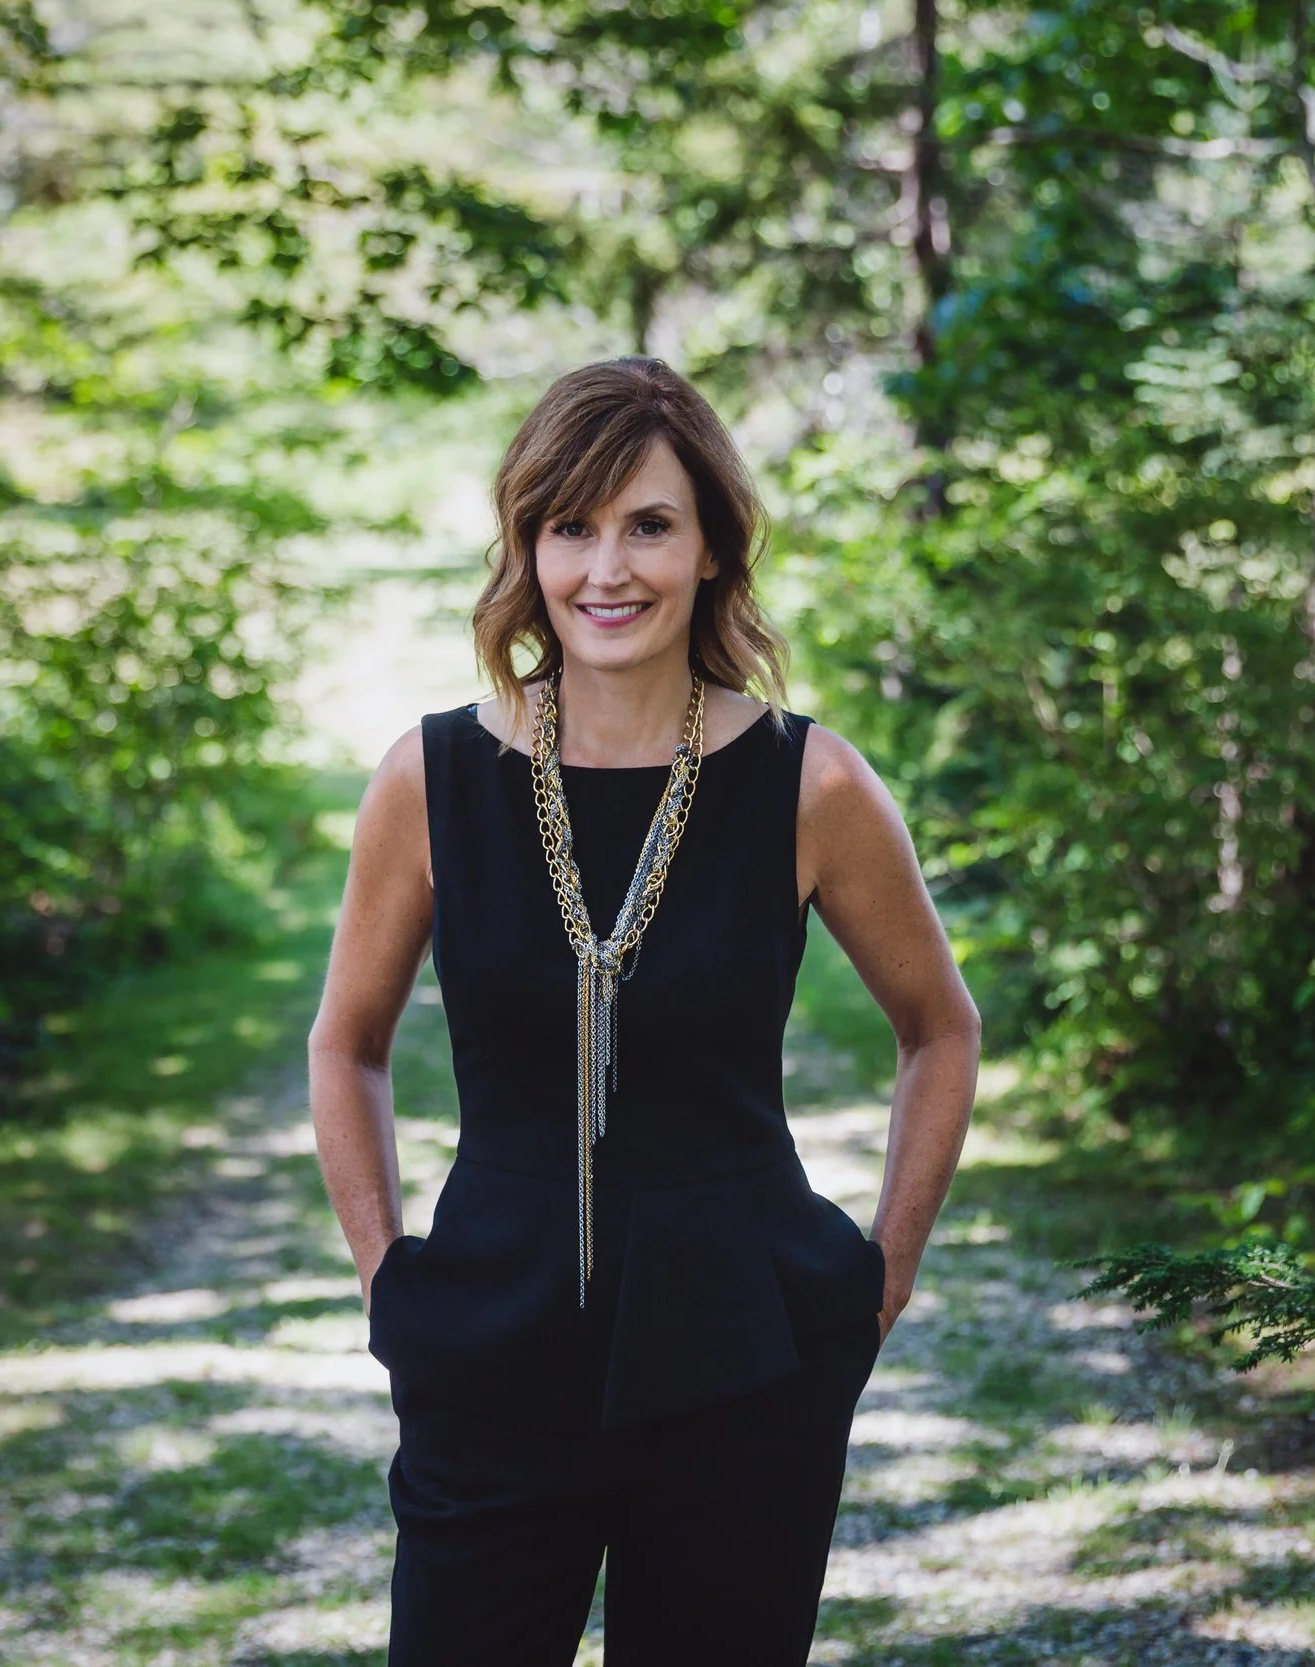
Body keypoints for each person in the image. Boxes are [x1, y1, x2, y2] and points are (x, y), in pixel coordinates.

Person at [308, 356, 980, 1666]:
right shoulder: (432, 776)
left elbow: (939, 1027)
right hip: (490, 1350)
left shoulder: (811, 782)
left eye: (650, 525)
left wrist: (874, 1283)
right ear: (528, 546)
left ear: (713, 551)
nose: (607, 568)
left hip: (746, 1351)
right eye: (573, 526)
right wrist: (391, 1280)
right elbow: (348, 1043)